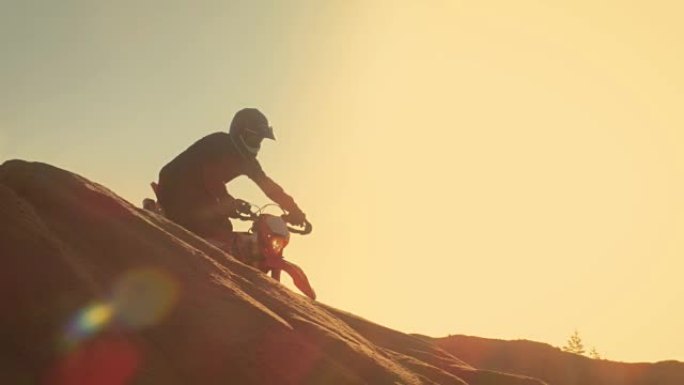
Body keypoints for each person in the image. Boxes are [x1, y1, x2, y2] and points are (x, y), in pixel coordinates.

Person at [155, 108, 307, 243]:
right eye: (254, 138)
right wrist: (227, 200)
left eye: (260, 140)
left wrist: (294, 210)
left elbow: (269, 187)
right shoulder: (219, 143)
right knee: (213, 229)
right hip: (174, 185)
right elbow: (211, 176)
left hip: (200, 193)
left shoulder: (249, 161)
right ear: (240, 133)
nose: (257, 143)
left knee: (223, 227)